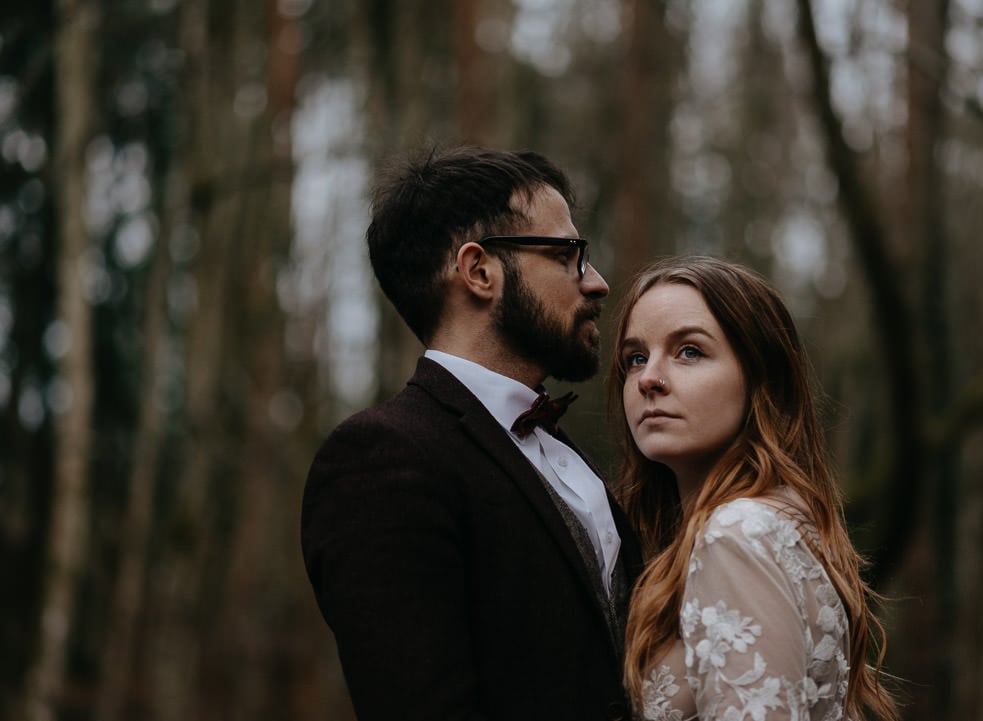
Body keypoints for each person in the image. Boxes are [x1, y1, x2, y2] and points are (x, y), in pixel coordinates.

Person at [301, 146, 642, 721]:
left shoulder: (568, 455)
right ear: (479, 271)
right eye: (568, 255)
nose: (598, 283)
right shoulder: (380, 460)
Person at [608, 256, 898, 721]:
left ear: (761, 377)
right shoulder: (767, 521)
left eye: (689, 352)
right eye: (635, 358)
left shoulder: (736, 533)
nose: (649, 379)